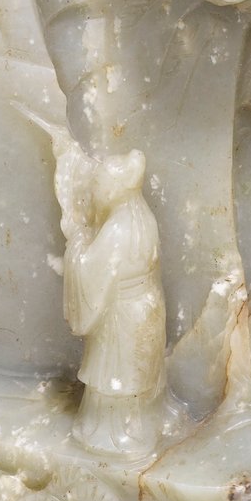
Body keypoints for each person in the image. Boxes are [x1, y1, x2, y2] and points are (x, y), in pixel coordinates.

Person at [62, 149, 167, 455]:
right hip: (146, 306)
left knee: (114, 375)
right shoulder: (143, 217)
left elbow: (91, 271)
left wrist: (77, 244)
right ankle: (140, 424)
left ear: (114, 189)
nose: (96, 192)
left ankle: (112, 434)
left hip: (122, 314)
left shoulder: (118, 229)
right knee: (135, 372)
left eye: (99, 186)